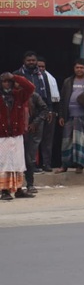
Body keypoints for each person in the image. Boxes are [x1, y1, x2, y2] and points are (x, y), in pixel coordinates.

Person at [15, 51, 53, 172]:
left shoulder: (42, 74)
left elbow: (47, 92)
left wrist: (50, 110)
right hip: (22, 111)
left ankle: (33, 165)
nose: (31, 62)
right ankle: (22, 166)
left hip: (39, 111)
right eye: (28, 60)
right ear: (24, 61)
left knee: (36, 140)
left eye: (33, 60)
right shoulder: (17, 74)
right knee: (22, 140)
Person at [1, 72, 36, 200]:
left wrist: (15, 77)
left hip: (16, 134)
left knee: (18, 162)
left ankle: (19, 189)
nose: (7, 84)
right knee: (4, 164)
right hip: (2, 136)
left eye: (9, 81)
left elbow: (30, 87)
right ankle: (4, 191)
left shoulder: (19, 95)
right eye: (4, 81)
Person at [35, 57, 59, 172]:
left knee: (47, 140)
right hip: (35, 114)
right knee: (34, 140)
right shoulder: (31, 78)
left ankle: (46, 164)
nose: (41, 69)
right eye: (38, 66)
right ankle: (33, 165)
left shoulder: (49, 78)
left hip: (49, 113)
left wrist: (51, 111)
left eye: (43, 67)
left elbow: (52, 97)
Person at [23, 91, 48, 194]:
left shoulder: (33, 95)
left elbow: (44, 109)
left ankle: (30, 184)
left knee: (29, 157)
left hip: (31, 129)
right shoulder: (10, 95)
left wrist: (35, 123)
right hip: (15, 131)